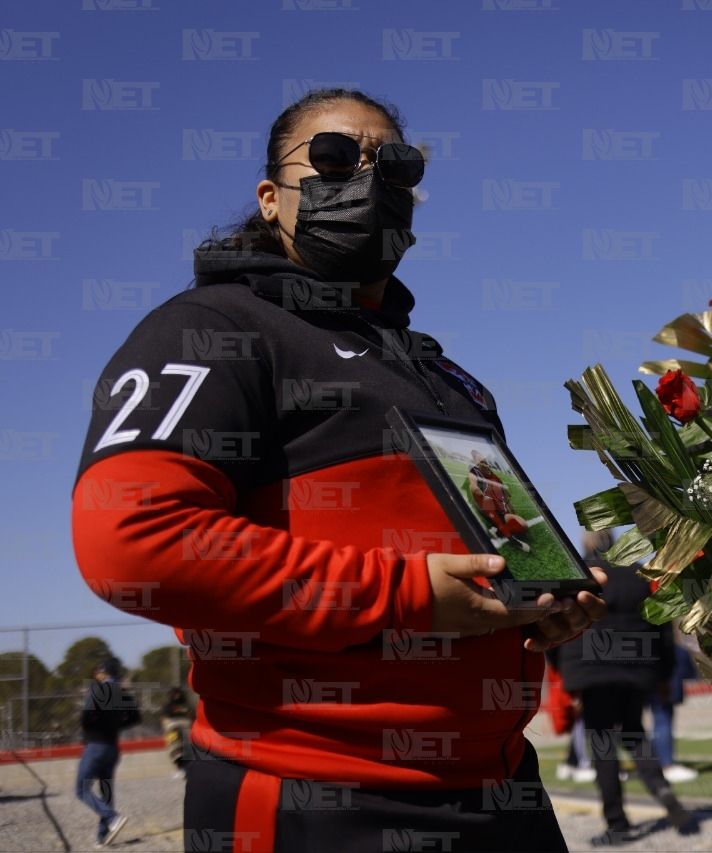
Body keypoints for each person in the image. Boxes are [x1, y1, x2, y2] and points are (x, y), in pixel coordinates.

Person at [71, 88, 607, 852]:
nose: (364, 177)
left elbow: (490, 549)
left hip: (502, 785)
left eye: (394, 165)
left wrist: (540, 599)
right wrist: (408, 595)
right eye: (330, 158)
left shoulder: (448, 375)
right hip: (317, 794)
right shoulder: (214, 326)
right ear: (270, 197)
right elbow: (130, 541)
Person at [549, 531, 697, 846]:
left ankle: (617, 823)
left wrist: (564, 673)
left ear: (587, 544)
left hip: (591, 672)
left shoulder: (575, 573)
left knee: (603, 749)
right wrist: (664, 673)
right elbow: (661, 627)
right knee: (634, 735)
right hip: (636, 669)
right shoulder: (637, 573)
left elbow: (554, 626)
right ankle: (663, 790)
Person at [77, 658, 139, 849]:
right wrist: (116, 726)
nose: (96, 675)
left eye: (97, 672)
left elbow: (85, 717)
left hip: (96, 745)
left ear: (104, 672)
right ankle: (102, 836)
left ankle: (113, 819)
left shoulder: (97, 690)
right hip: (113, 747)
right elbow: (136, 718)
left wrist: (90, 731)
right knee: (107, 790)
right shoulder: (123, 693)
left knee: (82, 789)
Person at [649, 639, 699, 783]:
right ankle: (666, 764)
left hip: (654, 687)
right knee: (663, 722)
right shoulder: (673, 648)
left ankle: (658, 762)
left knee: (658, 723)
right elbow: (689, 672)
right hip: (664, 689)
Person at [468, 450, 533, 552]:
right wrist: (479, 492)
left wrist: (509, 505)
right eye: (479, 460)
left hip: (500, 507)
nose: (482, 461)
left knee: (523, 525)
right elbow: (473, 486)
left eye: (483, 459)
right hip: (486, 505)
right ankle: (509, 536)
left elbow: (503, 490)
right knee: (497, 518)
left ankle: (497, 532)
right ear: (475, 462)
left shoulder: (492, 474)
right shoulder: (474, 472)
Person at [160, 686, 193, 779]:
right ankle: (181, 769)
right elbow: (164, 718)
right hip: (173, 729)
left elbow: (191, 716)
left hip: (184, 728)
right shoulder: (169, 706)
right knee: (174, 749)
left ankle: (186, 769)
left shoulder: (185, 705)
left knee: (185, 749)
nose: (176, 696)